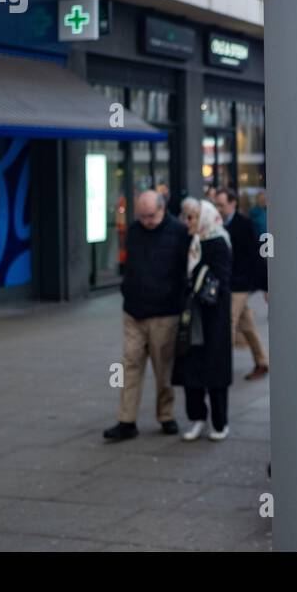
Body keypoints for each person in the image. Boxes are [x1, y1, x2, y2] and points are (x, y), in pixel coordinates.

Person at [104, 189, 190, 441]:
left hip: (164, 313)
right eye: (142, 216)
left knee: (163, 369)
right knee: (128, 365)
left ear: (162, 209)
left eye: (150, 216)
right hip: (134, 311)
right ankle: (126, 418)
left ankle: (166, 415)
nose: (146, 221)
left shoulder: (179, 232)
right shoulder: (133, 230)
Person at [173, 198, 234, 442]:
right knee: (191, 369)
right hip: (192, 316)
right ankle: (197, 417)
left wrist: (198, 276)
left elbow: (221, 279)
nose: (188, 221)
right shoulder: (192, 241)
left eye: (193, 217)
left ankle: (220, 422)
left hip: (213, 317)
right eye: (187, 217)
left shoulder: (218, 241)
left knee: (215, 370)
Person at [215, 187, 269, 379]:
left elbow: (256, 254)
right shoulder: (218, 224)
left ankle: (220, 368)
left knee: (227, 322)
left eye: (221, 205)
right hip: (229, 281)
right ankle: (262, 361)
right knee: (247, 325)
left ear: (233, 203)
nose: (218, 208)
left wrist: (266, 285)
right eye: (217, 205)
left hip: (240, 283)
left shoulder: (244, 224)